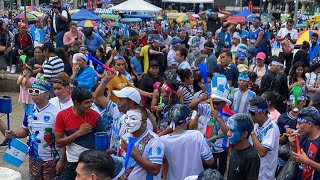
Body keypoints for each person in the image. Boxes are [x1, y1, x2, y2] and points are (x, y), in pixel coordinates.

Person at [5, 80, 63, 179]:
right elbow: (25, 130)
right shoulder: (29, 110)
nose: (33, 94)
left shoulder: (57, 113)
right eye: (31, 91)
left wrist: (62, 160)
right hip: (33, 157)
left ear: (47, 94)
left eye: (37, 91)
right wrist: (14, 134)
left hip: (52, 159)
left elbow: (63, 138)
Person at [55, 88, 105, 180]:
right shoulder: (62, 115)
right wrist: (78, 133)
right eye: (86, 103)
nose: (90, 105)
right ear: (76, 103)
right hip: (72, 162)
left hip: (91, 163)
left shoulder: (96, 115)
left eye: (91, 102)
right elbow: (59, 143)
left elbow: (103, 142)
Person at [161, 104, 214, 180]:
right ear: (186, 120)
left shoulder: (163, 140)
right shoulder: (196, 135)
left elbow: (164, 163)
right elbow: (210, 161)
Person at [120, 105, 164, 179]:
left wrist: (133, 153)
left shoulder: (154, 141)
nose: (127, 122)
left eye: (133, 119)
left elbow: (155, 170)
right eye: (127, 118)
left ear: (144, 123)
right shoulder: (126, 137)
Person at [249, 96, 280, 180]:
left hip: (264, 174)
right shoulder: (256, 124)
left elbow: (262, 152)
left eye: (252, 113)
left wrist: (252, 132)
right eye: (249, 112)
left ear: (262, 112)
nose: (250, 116)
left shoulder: (272, 128)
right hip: (254, 170)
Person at [288, 106, 320, 180]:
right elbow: (295, 160)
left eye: (299, 123)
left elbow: (304, 161)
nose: (296, 126)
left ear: (309, 124)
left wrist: (307, 161)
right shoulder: (302, 138)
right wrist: (293, 145)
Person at [227, 114, 260, 180]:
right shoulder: (235, 147)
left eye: (232, 131)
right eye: (229, 130)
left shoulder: (252, 158)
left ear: (244, 134)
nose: (228, 134)